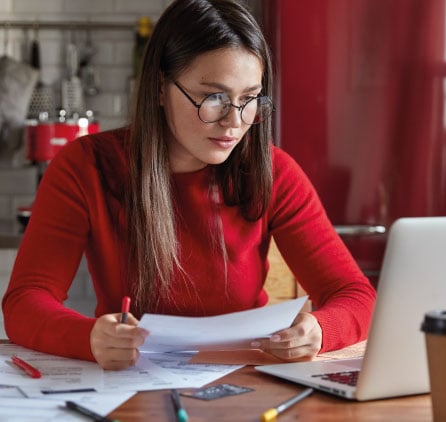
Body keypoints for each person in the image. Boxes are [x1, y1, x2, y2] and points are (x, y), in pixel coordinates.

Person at [2, 0, 376, 370]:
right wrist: (88, 337)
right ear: (161, 88)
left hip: (247, 379)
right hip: (131, 382)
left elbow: (357, 296)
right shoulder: (85, 166)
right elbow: (25, 301)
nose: (234, 121)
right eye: (213, 97)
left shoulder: (275, 172)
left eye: (248, 99)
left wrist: (321, 330)